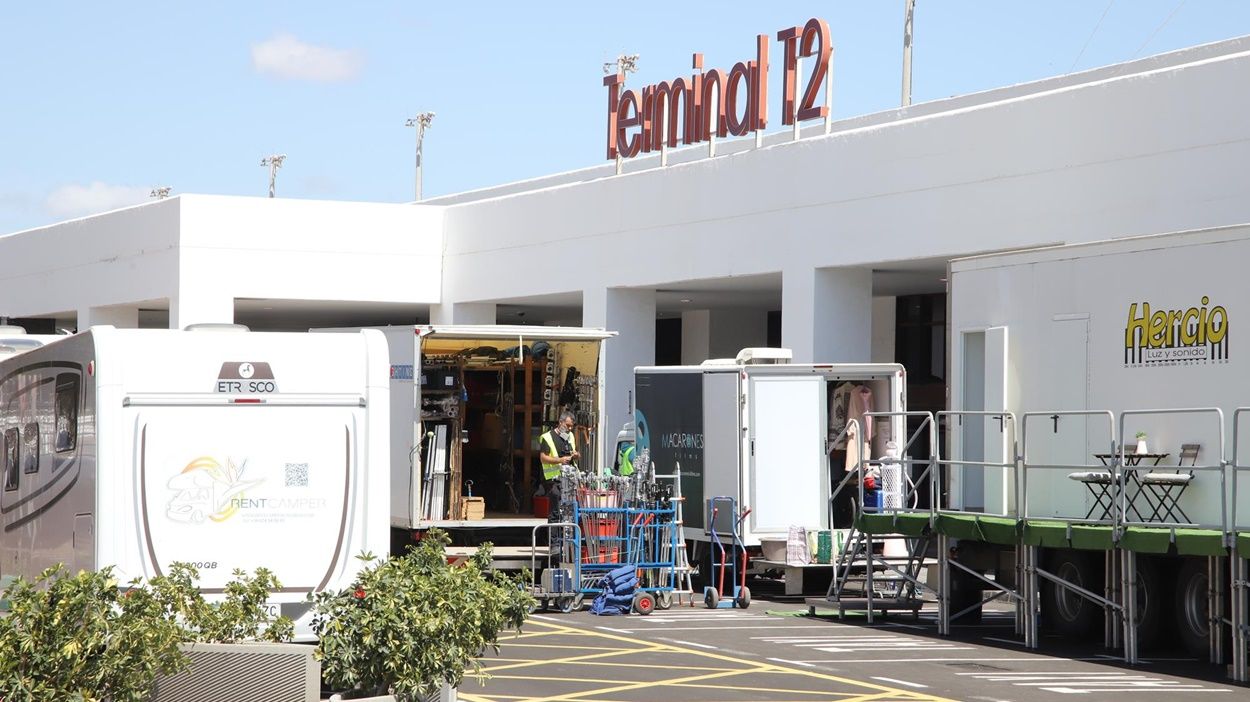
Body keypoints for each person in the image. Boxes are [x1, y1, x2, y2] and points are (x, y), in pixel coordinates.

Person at [539, 411, 580, 518]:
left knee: (569, 510)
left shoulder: (570, 436)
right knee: (555, 510)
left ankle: (567, 532)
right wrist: (560, 460)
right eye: (568, 425)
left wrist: (576, 455)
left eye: (571, 426)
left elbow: (574, 452)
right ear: (560, 422)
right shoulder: (547, 437)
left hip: (569, 479)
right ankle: (553, 534)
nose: (570, 428)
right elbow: (543, 458)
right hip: (554, 480)